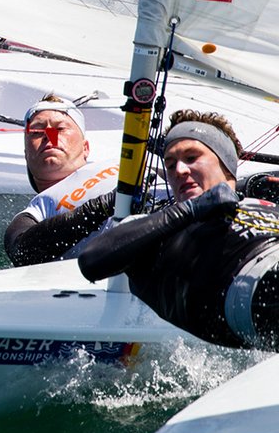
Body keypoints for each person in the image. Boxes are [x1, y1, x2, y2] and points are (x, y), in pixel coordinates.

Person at [77, 110, 279, 350]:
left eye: (191, 158)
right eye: (170, 165)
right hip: (255, 293)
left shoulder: (261, 202)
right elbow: (92, 261)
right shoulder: (156, 229)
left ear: (226, 164)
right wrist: (191, 210)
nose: (179, 171)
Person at [4, 95, 119, 266]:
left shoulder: (120, 161)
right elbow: (21, 252)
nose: (49, 137)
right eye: (37, 131)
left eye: (60, 129)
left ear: (85, 148)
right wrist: (100, 207)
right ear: (26, 155)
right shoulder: (39, 209)